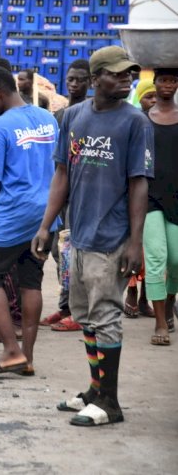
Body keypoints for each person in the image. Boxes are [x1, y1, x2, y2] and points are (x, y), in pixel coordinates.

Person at [32, 46, 152, 426]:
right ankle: (94, 390)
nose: (126, 79)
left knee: (106, 316)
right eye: (117, 74)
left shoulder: (135, 122)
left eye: (128, 74)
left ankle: (110, 403)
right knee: (85, 316)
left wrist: (135, 240)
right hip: (78, 234)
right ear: (97, 77)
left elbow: (138, 184)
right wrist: (46, 226)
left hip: (112, 236)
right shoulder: (73, 117)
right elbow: (62, 175)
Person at [0, 66, 60, 377]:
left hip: (13, 214)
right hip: (46, 214)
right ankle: (27, 357)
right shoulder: (48, 119)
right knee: (31, 280)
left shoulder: (0, 127)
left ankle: (10, 351)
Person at [44, 59, 92, 331]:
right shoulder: (60, 115)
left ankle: (78, 311)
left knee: (74, 254)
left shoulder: (90, 113)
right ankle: (65, 306)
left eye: (80, 80)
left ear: (90, 82)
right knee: (57, 250)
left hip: (81, 196)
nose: (74, 84)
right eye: (71, 79)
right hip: (61, 194)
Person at [143, 68, 178, 345]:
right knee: (156, 258)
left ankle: (169, 302)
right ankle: (159, 323)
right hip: (150, 197)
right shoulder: (143, 120)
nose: (168, 85)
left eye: (173, 80)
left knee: (176, 261)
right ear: (154, 83)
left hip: (176, 197)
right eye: (164, 80)